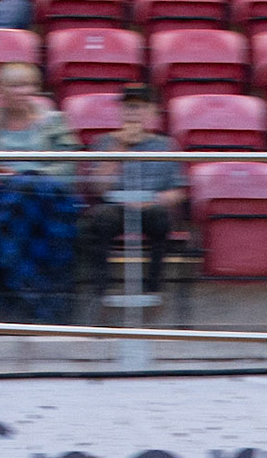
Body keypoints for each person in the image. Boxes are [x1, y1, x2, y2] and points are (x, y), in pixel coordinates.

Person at [0, 61, 80, 321]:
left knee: (24, 185)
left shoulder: (53, 122)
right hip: (4, 200)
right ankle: (28, 296)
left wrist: (29, 176)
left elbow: (68, 168)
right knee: (15, 193)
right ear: (0, 90)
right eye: (15, 85)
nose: (22, 91)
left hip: (49, 199)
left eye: (27, 85)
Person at [79, 84, 186, 309]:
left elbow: (178, 191)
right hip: (116, 204)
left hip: (151, 204)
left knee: (160, 219)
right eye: (128, 108)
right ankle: (103, 292)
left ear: (152, 113)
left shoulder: (166, 146)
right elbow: (97, 187)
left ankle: (153, 289)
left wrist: (153, 200)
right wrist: (120, 147)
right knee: (99, 219)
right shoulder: (104, 143)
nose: (133, 113)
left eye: (139, 107)